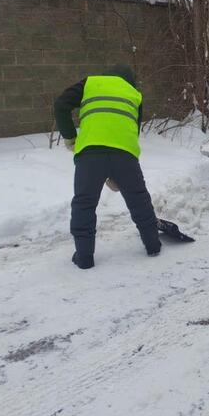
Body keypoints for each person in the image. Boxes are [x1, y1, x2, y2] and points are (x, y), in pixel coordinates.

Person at [54, 64, 161, 269]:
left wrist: (69, 137)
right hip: (125, 154)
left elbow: (61, 105)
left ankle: (84, 257)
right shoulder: (134, 94)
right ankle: (153, 245)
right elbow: (133, 129)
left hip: (89, 155)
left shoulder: (90, 83)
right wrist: (117, 170)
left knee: (84, 203)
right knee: (138, 197)